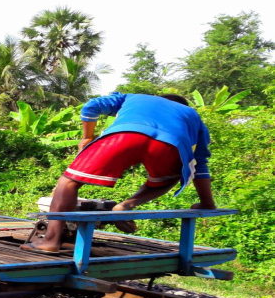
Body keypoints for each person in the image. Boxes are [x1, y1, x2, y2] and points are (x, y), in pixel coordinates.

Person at [22, 92, 217, 253]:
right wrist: (207, 204)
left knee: (68, 183)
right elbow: (199, 164)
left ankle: (50, 240)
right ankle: (126, 205)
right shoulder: (192, 116)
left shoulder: (133, 97)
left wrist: (87, 137)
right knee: (169, 178)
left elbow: (91, 106)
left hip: (124, 135)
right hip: (169, 144)